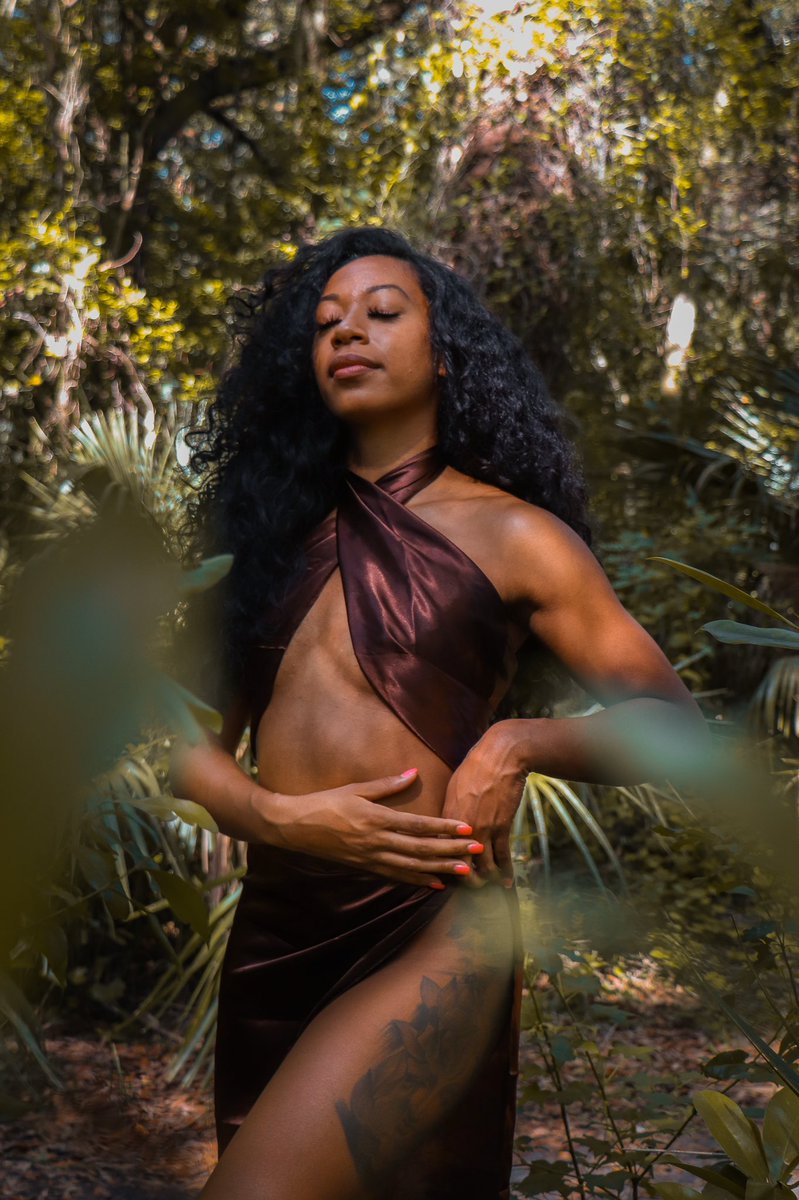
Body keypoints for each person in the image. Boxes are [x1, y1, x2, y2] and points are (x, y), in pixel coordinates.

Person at [169, 226, 704, 1200]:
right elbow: (183, 746)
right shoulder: (266, 539)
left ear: (445, 351)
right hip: (278, 925)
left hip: (430, 925)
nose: (348, 333)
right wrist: (277, 817)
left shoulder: (516, 535)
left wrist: (516, 742)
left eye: (382, 312)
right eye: (326, 322)